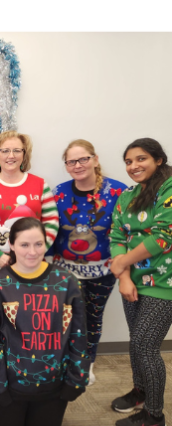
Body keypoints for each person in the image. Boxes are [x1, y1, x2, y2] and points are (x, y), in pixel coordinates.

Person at [0, 217, 89, 426]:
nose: (32, 251)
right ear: (11, 245)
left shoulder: (67, 283)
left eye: (39, 244)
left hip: (54, 388)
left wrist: (77, 378)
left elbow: (78, 334)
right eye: (24, 244)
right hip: (8, 390)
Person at [47, 139, 127, 385]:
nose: (78, 165)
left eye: (83, 159)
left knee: (92, 317)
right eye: (72, 161)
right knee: (65, 317)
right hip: (64, 271)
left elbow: (126, 231)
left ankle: (87, 364)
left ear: (95, 159)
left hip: (102, 271)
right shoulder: (58, 192)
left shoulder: (118, 191)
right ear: (67, 166)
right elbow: (49, 229)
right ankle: (64, 361)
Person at [109, 138, 172, 426]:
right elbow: (117, 237)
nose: (134, 166)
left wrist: (122, 262)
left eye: (141, 159)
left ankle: (154, 416)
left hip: (164, 284)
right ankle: (140, 392)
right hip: (132, 284)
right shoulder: (127, 196)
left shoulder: (169, 188)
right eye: (129, 161)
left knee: (146, 347)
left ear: (158, 160)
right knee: (137, 344)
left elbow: (164, 235)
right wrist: (123, 277)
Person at [0, 130, 59, 284]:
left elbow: (51, 222)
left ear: (24, 154)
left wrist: (35, 252)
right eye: (5, 151)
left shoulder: (40, 185)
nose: (11, 156)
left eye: (16, 150)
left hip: (32, 266)